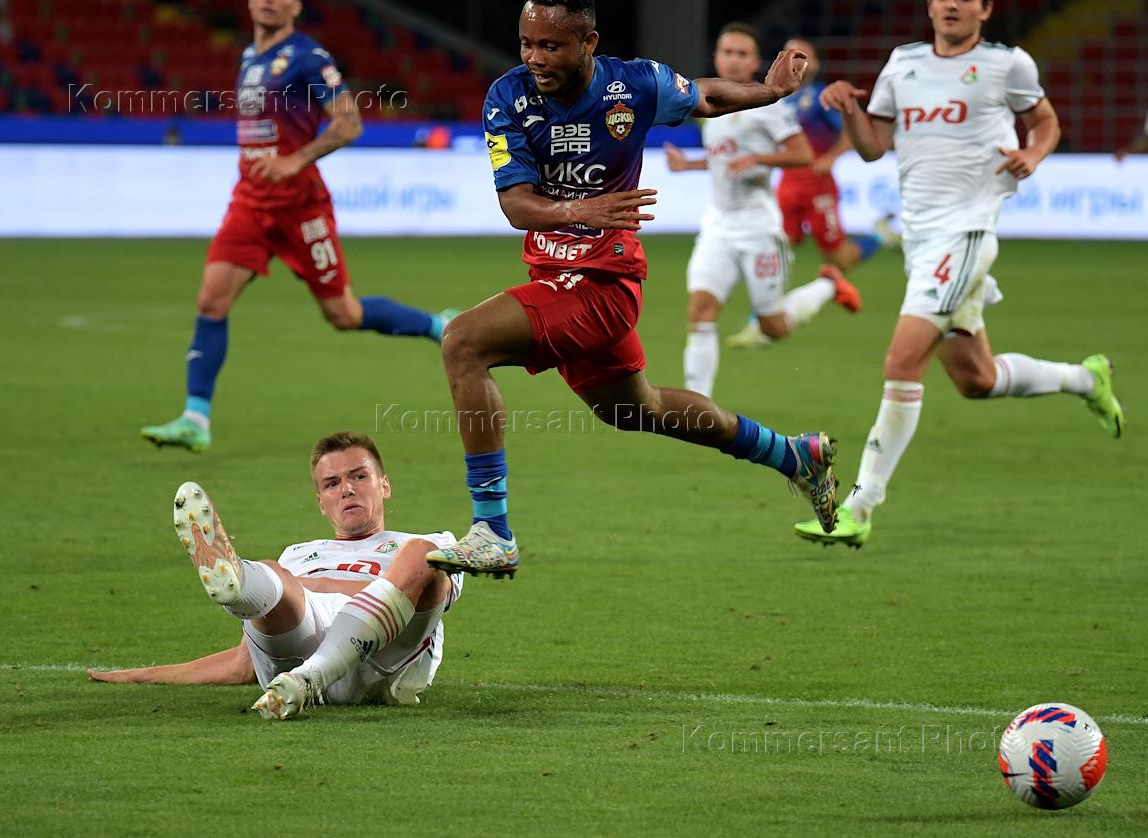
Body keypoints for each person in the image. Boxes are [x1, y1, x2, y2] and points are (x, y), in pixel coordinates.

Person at [423, 0, 839, 580]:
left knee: (463, 342)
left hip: (604, 284)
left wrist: (769, 93)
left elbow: (706, 96)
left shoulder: (635, 85)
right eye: (527, 43)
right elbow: (516, 206)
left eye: (551, 46)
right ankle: (792, 454)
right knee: (641, 410)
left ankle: (492, 531)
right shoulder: (508, 97)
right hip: (555, 277)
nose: (535, 58)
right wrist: (581, 209)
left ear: (588, 42)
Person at [793, 0, 1123, 549]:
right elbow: (873, 147)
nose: (950, 4)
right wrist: (849, 109)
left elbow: (1045, 123)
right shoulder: (903, 63)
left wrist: (1034, 155)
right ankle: (1086, 380)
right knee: (977, 379)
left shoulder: (1007, 64)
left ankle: (859, 507)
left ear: (984, 9)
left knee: (902, 361)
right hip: (921, 241)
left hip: (967, 232)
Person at [141, 0, 451, 454]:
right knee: (211, 300)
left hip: (300, 207)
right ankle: (195, 418)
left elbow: (350, 123)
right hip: (249, 203)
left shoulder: (308, 57)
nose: (269, 1)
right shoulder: (250, 56)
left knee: (343, 314)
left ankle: (437, 325)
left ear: (296, 6)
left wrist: (295, 160)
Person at [90, 431, 463, 720]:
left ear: (384, 485)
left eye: (359, 476)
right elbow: (243, 664)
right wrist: (142, 675)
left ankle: (304, 662)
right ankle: (239, 584)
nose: (347, 489)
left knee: (425, 557)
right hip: (299, 654)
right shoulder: (297, 554)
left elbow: (426, 589)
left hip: (385, 659)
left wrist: (316, 585)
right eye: (331, 483)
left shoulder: (431, 541)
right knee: (272, 574)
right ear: (320, 502)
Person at [663, 23, 862, 398]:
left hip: (758, 229)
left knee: (773, 326)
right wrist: (688, 165)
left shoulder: (769, 106)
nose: (733, 60)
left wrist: (758, 159)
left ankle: (828, 285)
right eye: (727, 52)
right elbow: (724, 159)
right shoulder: (711, 104)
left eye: (742, 54)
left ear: (756, 62)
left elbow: (802, 154)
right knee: (700, 310)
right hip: (717, 226)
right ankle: (697, 407)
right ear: (716, 57)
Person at [725, 35, 899, 351]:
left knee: (840, 258)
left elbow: (850, 133)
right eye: (790, 55)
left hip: (819, 188)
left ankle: (878, 236)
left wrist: (831, 158)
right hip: (787, 186)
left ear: (814, 64)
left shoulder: (820, 98)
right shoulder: (775, 98)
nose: (796, 62)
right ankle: (759, 321)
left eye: (803, 56)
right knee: (772, 253)